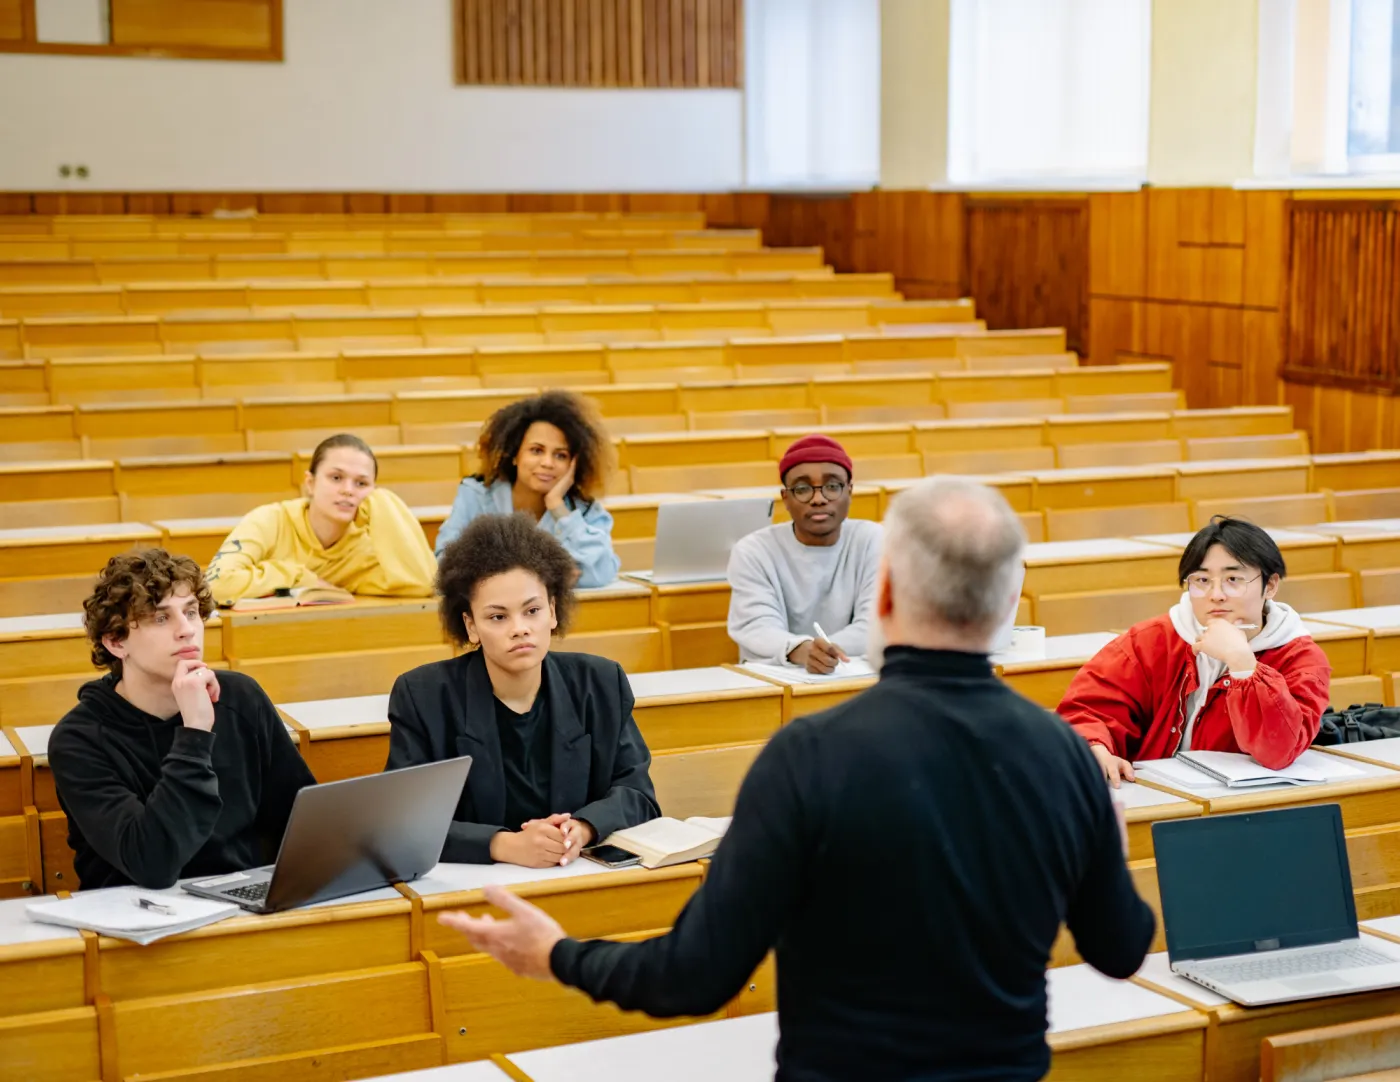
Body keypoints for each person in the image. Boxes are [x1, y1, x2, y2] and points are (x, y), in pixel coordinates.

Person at [437, 477, 1155, 1082]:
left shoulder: (810, 755)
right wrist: (1105, 842)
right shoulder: (1064, 755)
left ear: (882, 598)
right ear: (1006, 606)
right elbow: (1121, 951)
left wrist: (556, 955)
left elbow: (695, 975)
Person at [385, 513, 658, 867]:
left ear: (553, 611)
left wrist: (583, 828)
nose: (520, 629)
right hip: (473, 890)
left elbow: (639, 794)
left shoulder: (601, 682)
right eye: (498, 617)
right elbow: (404, 822)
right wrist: (502, 845)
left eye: (532, 611)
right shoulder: (423, 696)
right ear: (470, 625)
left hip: (574, 873)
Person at [48, 550, 315, 890]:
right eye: (161, 618)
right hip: (137, 920)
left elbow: (301, 819)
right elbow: (153, 863)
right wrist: (195, 735)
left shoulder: (240, 698)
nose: (187, 630)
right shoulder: (79, 740)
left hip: (241, 905)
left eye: (191, 612)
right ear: (116, 642)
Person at [1058, 516, 1332, 786]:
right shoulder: (1152, 640)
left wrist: (1243, 665)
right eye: (1201, 580)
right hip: (1155, 795)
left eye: (1233, 578)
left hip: (1243, 807)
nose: (1216, 594)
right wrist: (1094, 745)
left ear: (1270, 586)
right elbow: (1088, 709)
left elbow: (1278, 751)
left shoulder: (1301, 659)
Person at [205, 433, 436, 606]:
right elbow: (216, 585)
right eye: (336, 477)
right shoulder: (269, 521)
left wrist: (383, 502)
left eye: (362, 483)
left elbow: (422, 585)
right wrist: (300, 577)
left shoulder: (366, 549)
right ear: (310, 483)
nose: (348, 490)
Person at [726, 434, 882, 673]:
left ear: (849, 492)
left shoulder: (875, 540)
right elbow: (755, 626)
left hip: (853, 674)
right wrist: (801, 650)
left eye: (832, 486)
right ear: (785, 498)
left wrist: (825, 652)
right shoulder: (754, 551)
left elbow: (877, 623)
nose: (818, 499)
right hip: (777, 677)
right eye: (802, 489)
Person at [434, 390, 621, 588]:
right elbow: (445, 561)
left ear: (574, 464)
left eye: (561, 455)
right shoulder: (477, 495)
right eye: (536, 451)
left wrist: (558, 508)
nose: (547, 463)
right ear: (515, 455)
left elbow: (602, 573)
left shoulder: (584, 510)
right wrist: (543, 574)